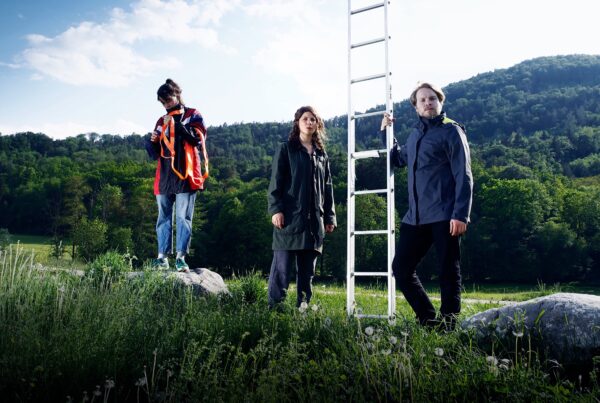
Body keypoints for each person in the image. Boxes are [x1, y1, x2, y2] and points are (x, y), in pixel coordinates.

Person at [381, 82, 473, 329]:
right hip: (416, 218)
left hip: (446, 214)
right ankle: (429, 322)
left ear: (440, 102)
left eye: (432, 98)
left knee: (448, 271)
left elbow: (464, 174)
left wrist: (461, 214)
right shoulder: (415, 135)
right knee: (401, 269)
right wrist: (386, 132)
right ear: (416, 107)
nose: (428, 103)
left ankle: (449, 327)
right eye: (422, 100)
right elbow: (397, 158)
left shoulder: (452, 130)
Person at [267, 106, 337, 309]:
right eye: (305, 119)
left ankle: (303, 311)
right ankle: (275, 311)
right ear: (297, 123)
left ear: (317, 124)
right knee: (281, 272)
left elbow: (328, 188)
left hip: (314, 223)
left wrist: (330, 217)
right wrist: (276, 210)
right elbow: (275, 182)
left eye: (313, 119)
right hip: (289, 220)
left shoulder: (322, 155)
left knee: (307, 274)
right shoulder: (286, 149)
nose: (309, 122)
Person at [145, 78, 208, 272]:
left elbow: (198, 140)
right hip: (165, 175)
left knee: (183, 217)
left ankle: (181, 258)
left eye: (168, 100)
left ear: (177, 95)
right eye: (163, 102)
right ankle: (162, 258)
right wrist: (152, 142)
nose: (166, 105)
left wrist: (178, 127)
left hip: (186, 174)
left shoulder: (193, 114)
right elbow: (154, 154)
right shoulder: (161, 120)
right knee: (163, 217)